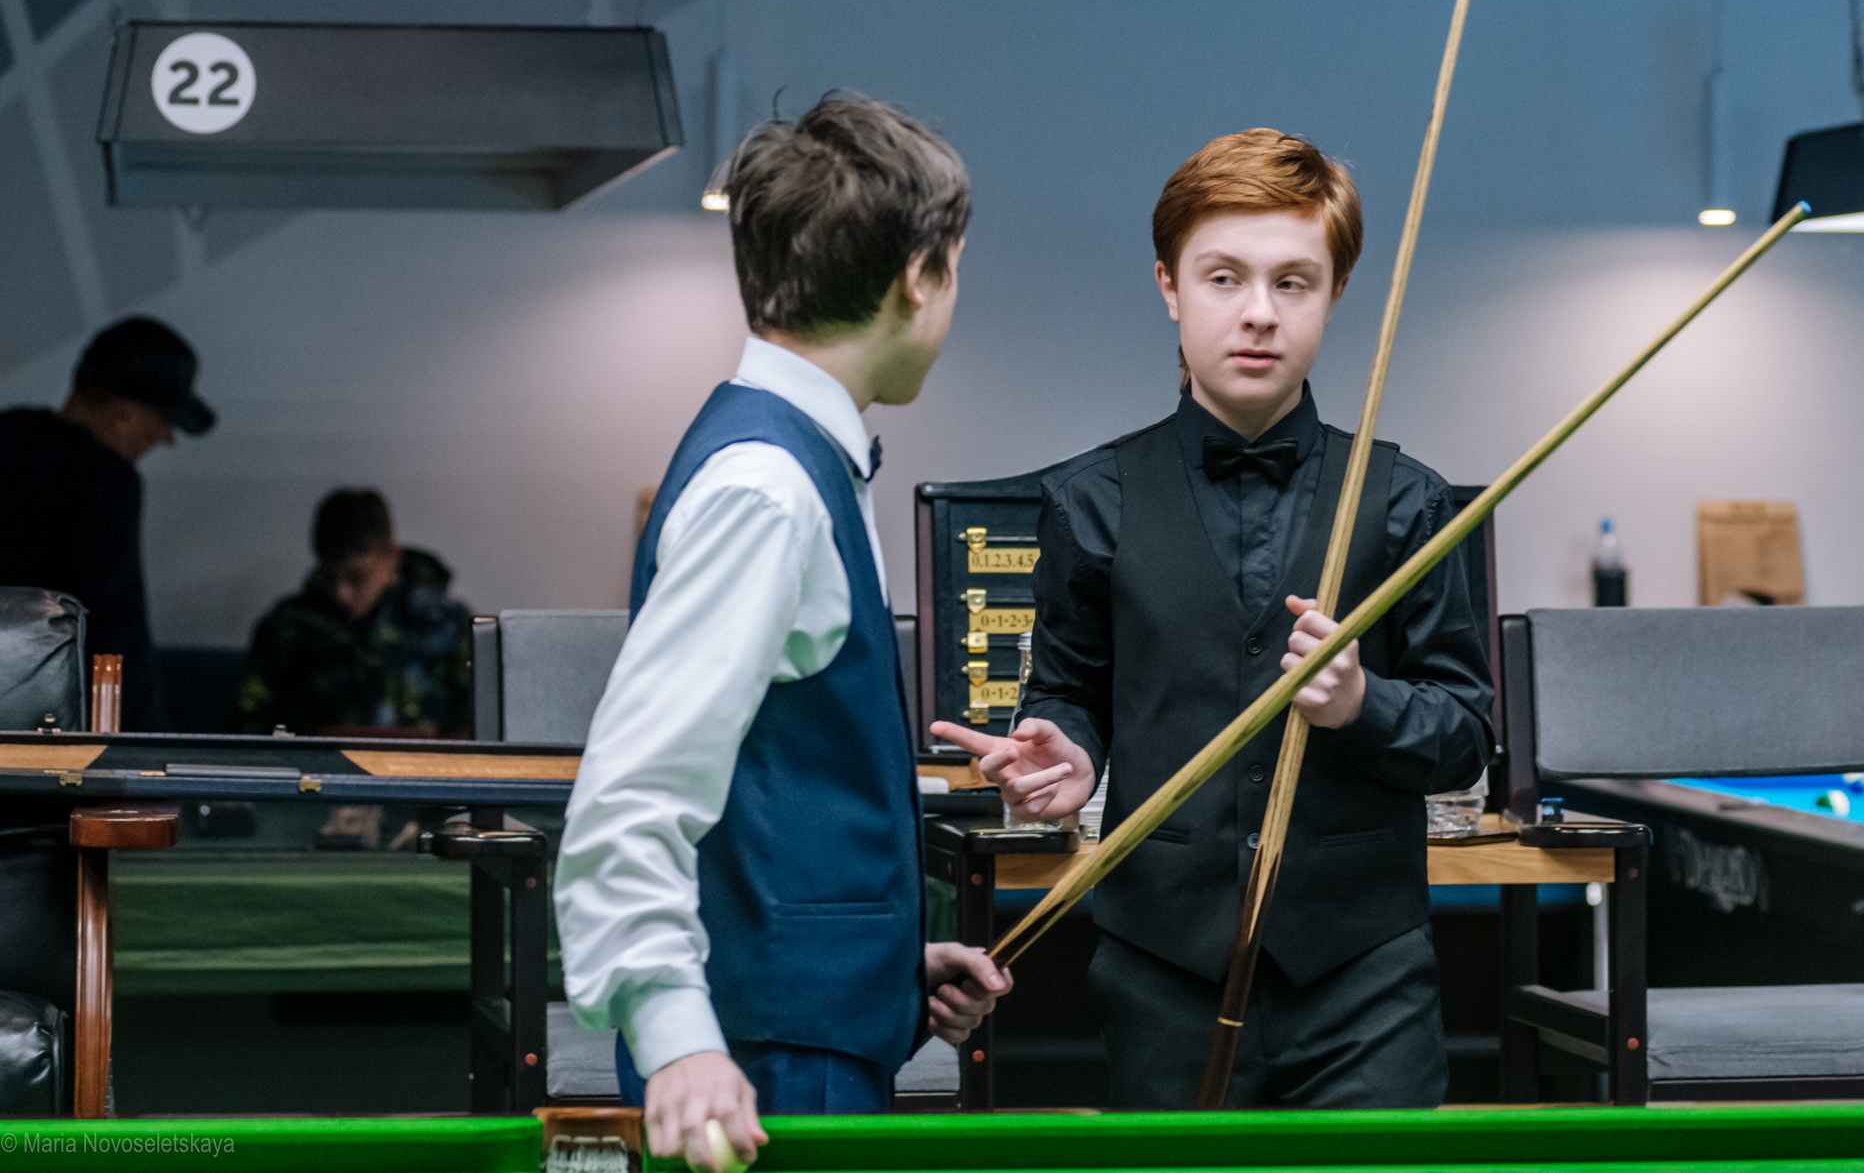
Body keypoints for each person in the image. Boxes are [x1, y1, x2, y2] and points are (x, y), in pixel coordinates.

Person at [936, 129, 1494, 1108]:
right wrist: (1068, 750)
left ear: (1336, 293)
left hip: (1366, 985)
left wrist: (1362, 704)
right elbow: (1069, 693)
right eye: (1224, 277)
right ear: (1169, 285)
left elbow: (1466, 737)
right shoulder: (1090, 500)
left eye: (1293, 283)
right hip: (1158, 975)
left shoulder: (1408, 502)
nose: (1258, 312)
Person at [555, 93, 1007, 1157]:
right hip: (756, 1068)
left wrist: (883, 962)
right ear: (918, 276)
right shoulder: (767, 489)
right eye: (956, 267)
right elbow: (629, 800)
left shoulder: (792, 463)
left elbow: (777, 792)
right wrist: (679, 1039)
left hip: (796, 1035)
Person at [0, 317, 216, 730]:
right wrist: (147, 753)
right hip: (43, 743)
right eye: (163, 422)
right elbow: (115, 633)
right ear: (123, 415)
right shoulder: (103, 481)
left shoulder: (8, 434)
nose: (168, 437)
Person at [234, 488, 473, 737]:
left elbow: (479, 728)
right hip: (311, 761)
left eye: (357, 578)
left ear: (392, 558)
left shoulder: (450, 626)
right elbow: (249, 725)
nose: (341, 593)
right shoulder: (288, 627)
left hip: (426, 762)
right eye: (328, 576)